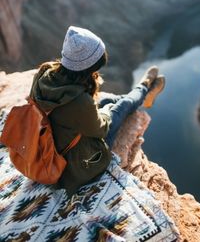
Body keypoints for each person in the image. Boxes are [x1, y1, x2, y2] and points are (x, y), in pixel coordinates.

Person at [29, 26, 165, 196]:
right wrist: (107, 111)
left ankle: (138, 95)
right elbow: (101, 130)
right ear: (87, 66)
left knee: (109, 100)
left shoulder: (44, 74)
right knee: (118, 107)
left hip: (48, 144)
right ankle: (144, 88)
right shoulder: (79, 101)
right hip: (70, 166)